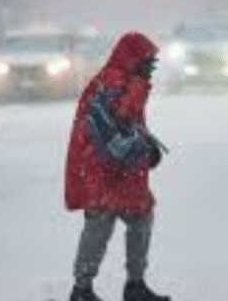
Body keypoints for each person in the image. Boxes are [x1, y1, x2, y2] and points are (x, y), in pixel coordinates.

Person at [64, 31, 170, 301]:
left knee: (137, 217)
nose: (151, 68)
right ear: (133, 58)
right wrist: (143, 149)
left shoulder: (122, 79)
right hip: (104, 167)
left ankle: (124, 285)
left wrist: (146, 145)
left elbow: (128, 123)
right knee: (103, 222)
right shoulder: (115, 81)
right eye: (148, 62)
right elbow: (119, 123)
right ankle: (86, 289)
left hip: (116, 168)